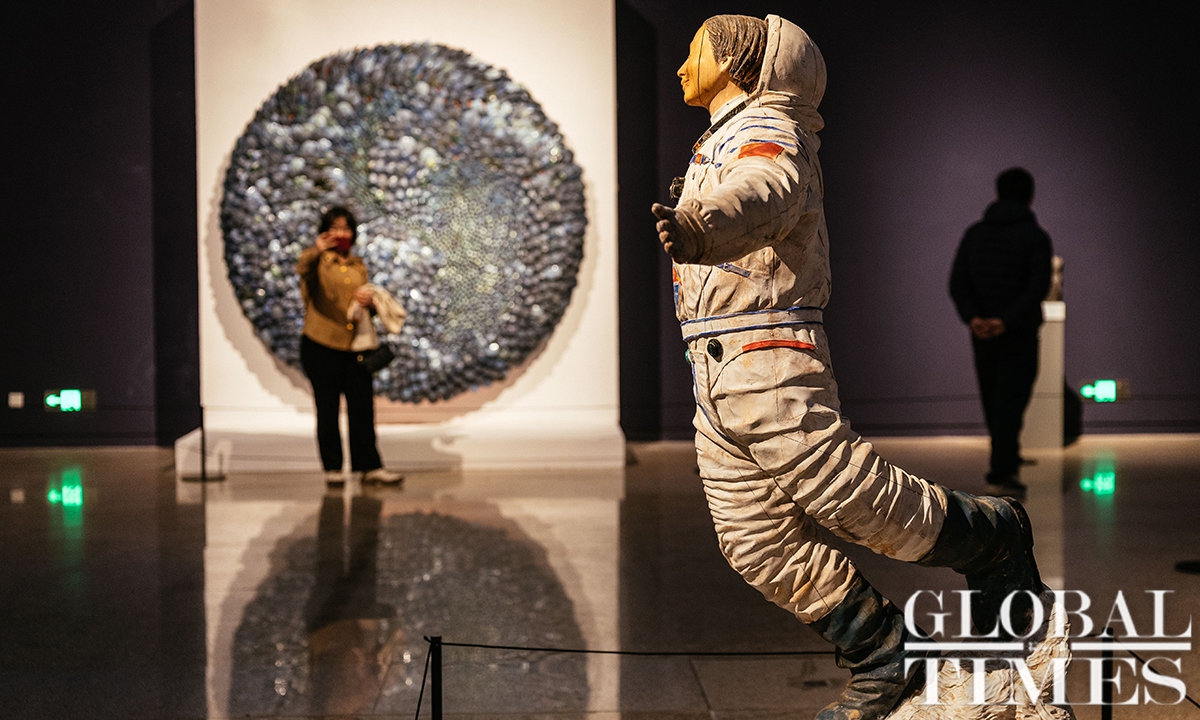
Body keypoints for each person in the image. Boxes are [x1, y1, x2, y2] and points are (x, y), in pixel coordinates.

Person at [651, 15, 1044, 720]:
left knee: (849, 496)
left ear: (737, 63)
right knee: (755, 542)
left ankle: (992, 537)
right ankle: (889, 656)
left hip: (766, 355)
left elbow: (768, 188)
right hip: (717, 370)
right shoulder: (724, 136)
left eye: (695, 50)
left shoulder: (767, 130)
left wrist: (701, 224)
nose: (683, 63)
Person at [950, 168, 1053, 495]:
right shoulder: (1035, 237)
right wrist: (1005, 321)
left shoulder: (975, 234)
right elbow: (1037, 287)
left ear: (997, 194)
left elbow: (958, 282)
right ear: (1030, 197)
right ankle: (1001, 472)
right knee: (1012, 401)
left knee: (993, 400)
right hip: (1018, 333)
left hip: (982, 334)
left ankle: (1006, 459)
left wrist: (974, 318)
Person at [297, 206, 403, 488]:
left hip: (355, 346)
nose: (341, 234)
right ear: (325, 231)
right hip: (321, 344)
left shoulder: (358, 265)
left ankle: (370, 467)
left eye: (346, 228)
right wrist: (316, 250)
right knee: (327, 408)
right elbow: (302, 269)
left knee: (362, 409)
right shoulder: (318, 262)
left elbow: (361, 305)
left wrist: (370, 302)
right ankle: (333, 467)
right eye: (335, 228)